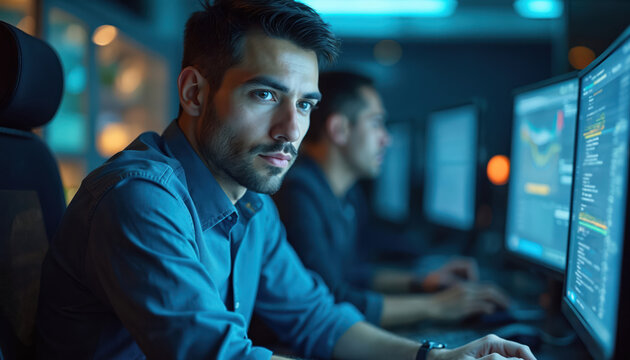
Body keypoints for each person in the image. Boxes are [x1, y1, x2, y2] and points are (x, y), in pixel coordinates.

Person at [35, 1, 535, 359]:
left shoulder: (253, 207)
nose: (291, 132)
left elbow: (317, 320)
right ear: (193, 93)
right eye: (265, 96)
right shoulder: (140, 198)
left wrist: (438, 357)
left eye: (305, 104)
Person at [274, 71, 509, 327]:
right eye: (376, 123)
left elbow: (348, 273)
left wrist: (423, 281)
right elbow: (332, 299)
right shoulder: (297, 194)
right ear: (339, 129)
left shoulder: (342, 193)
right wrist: (436, 306)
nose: (387, 138)